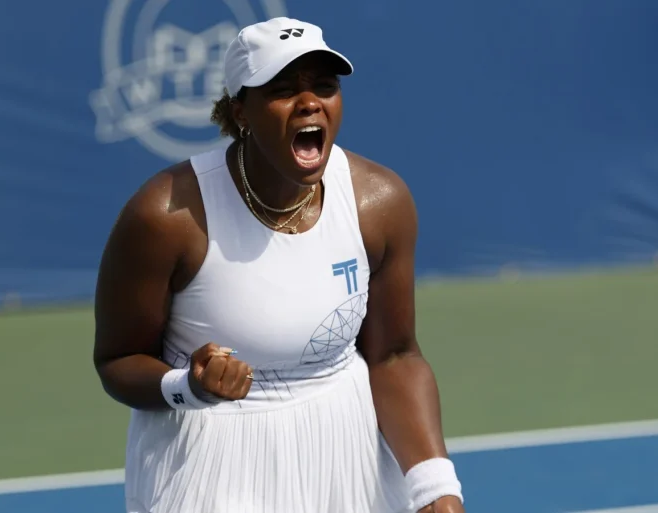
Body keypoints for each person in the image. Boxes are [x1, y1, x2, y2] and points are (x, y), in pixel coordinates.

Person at [93, 16, 465, 513]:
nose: (310, 102)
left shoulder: (380, 202)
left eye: (324, 87)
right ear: (239, 111)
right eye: (284, 89)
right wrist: (188, 386)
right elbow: (117, 360)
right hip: (214, 462)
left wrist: (434, 488)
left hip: (348, 454)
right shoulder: (165, 216)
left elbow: (394, 356)